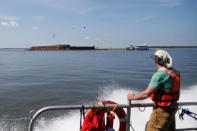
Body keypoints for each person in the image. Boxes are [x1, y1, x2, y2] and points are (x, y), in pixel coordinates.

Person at [127, 50, 180, 131]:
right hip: (173, 109)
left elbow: (146, 94)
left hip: (162, 111)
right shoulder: (173, 72)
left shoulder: (160, 75)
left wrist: (132, 97)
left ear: (156, 61)